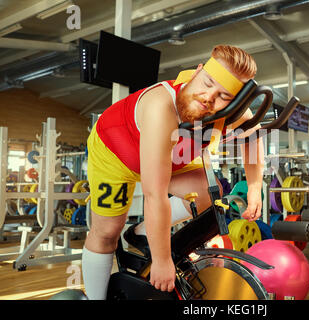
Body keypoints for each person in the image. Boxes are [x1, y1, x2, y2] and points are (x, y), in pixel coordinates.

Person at [82, 45, 266, 299]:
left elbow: (253, 136)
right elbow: (154, 195)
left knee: (206, 195)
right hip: (115, 152)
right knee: (106, 233)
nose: (208, 97)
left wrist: (255, 187)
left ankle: (143, 233)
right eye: (207, 82)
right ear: (197, 71)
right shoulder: (161, 106)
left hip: (168, 154)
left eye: (223, 95)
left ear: (234, 100)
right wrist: (162, 260)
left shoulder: (229, 110)